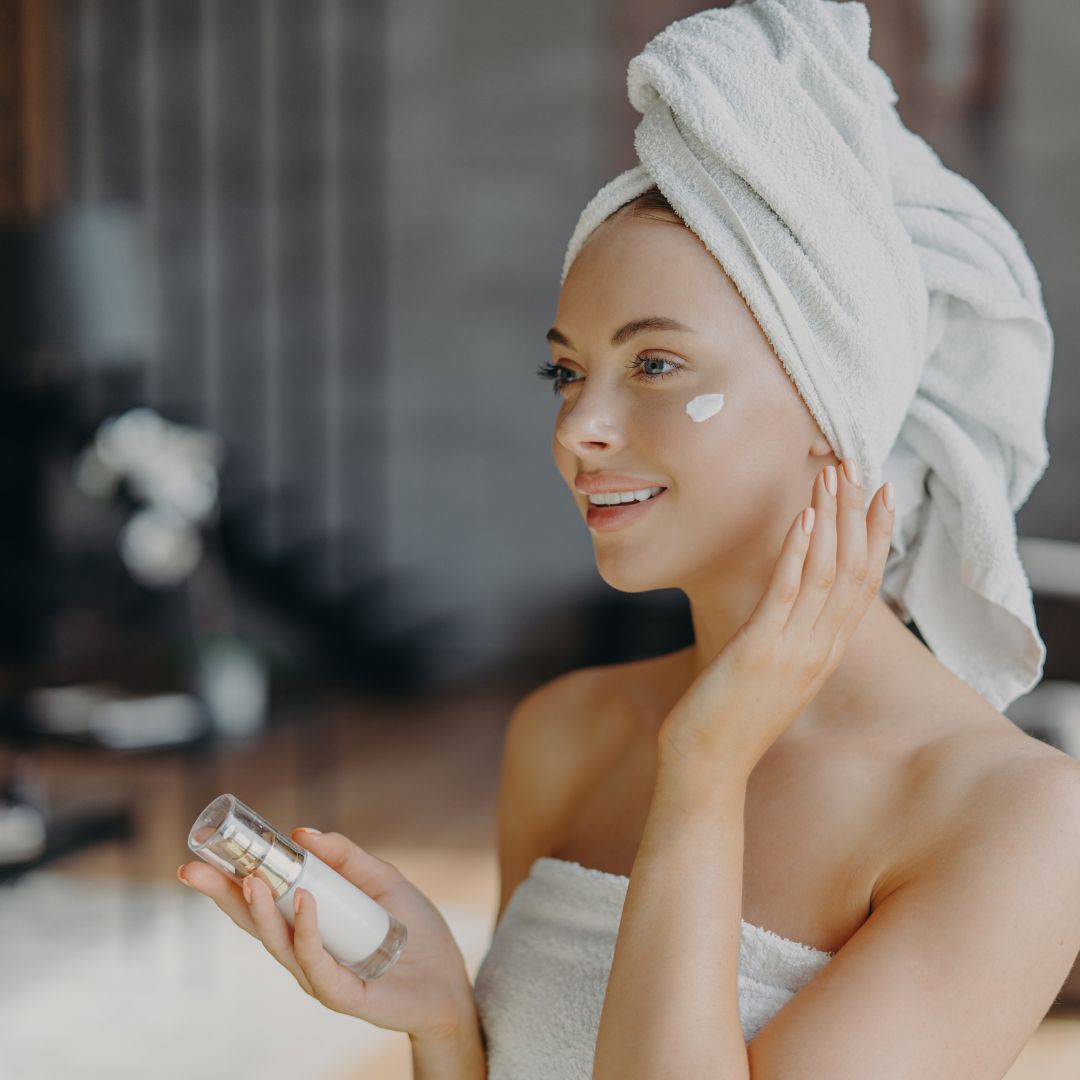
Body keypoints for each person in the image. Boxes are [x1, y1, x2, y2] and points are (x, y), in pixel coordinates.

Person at [178, 4, 1080, 1078]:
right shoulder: (566, 733)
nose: (577, 430)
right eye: (568, 371)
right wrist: (444, 1027)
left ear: (835, 403)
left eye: (655, 365)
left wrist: (703, 771)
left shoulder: (1018, 818)